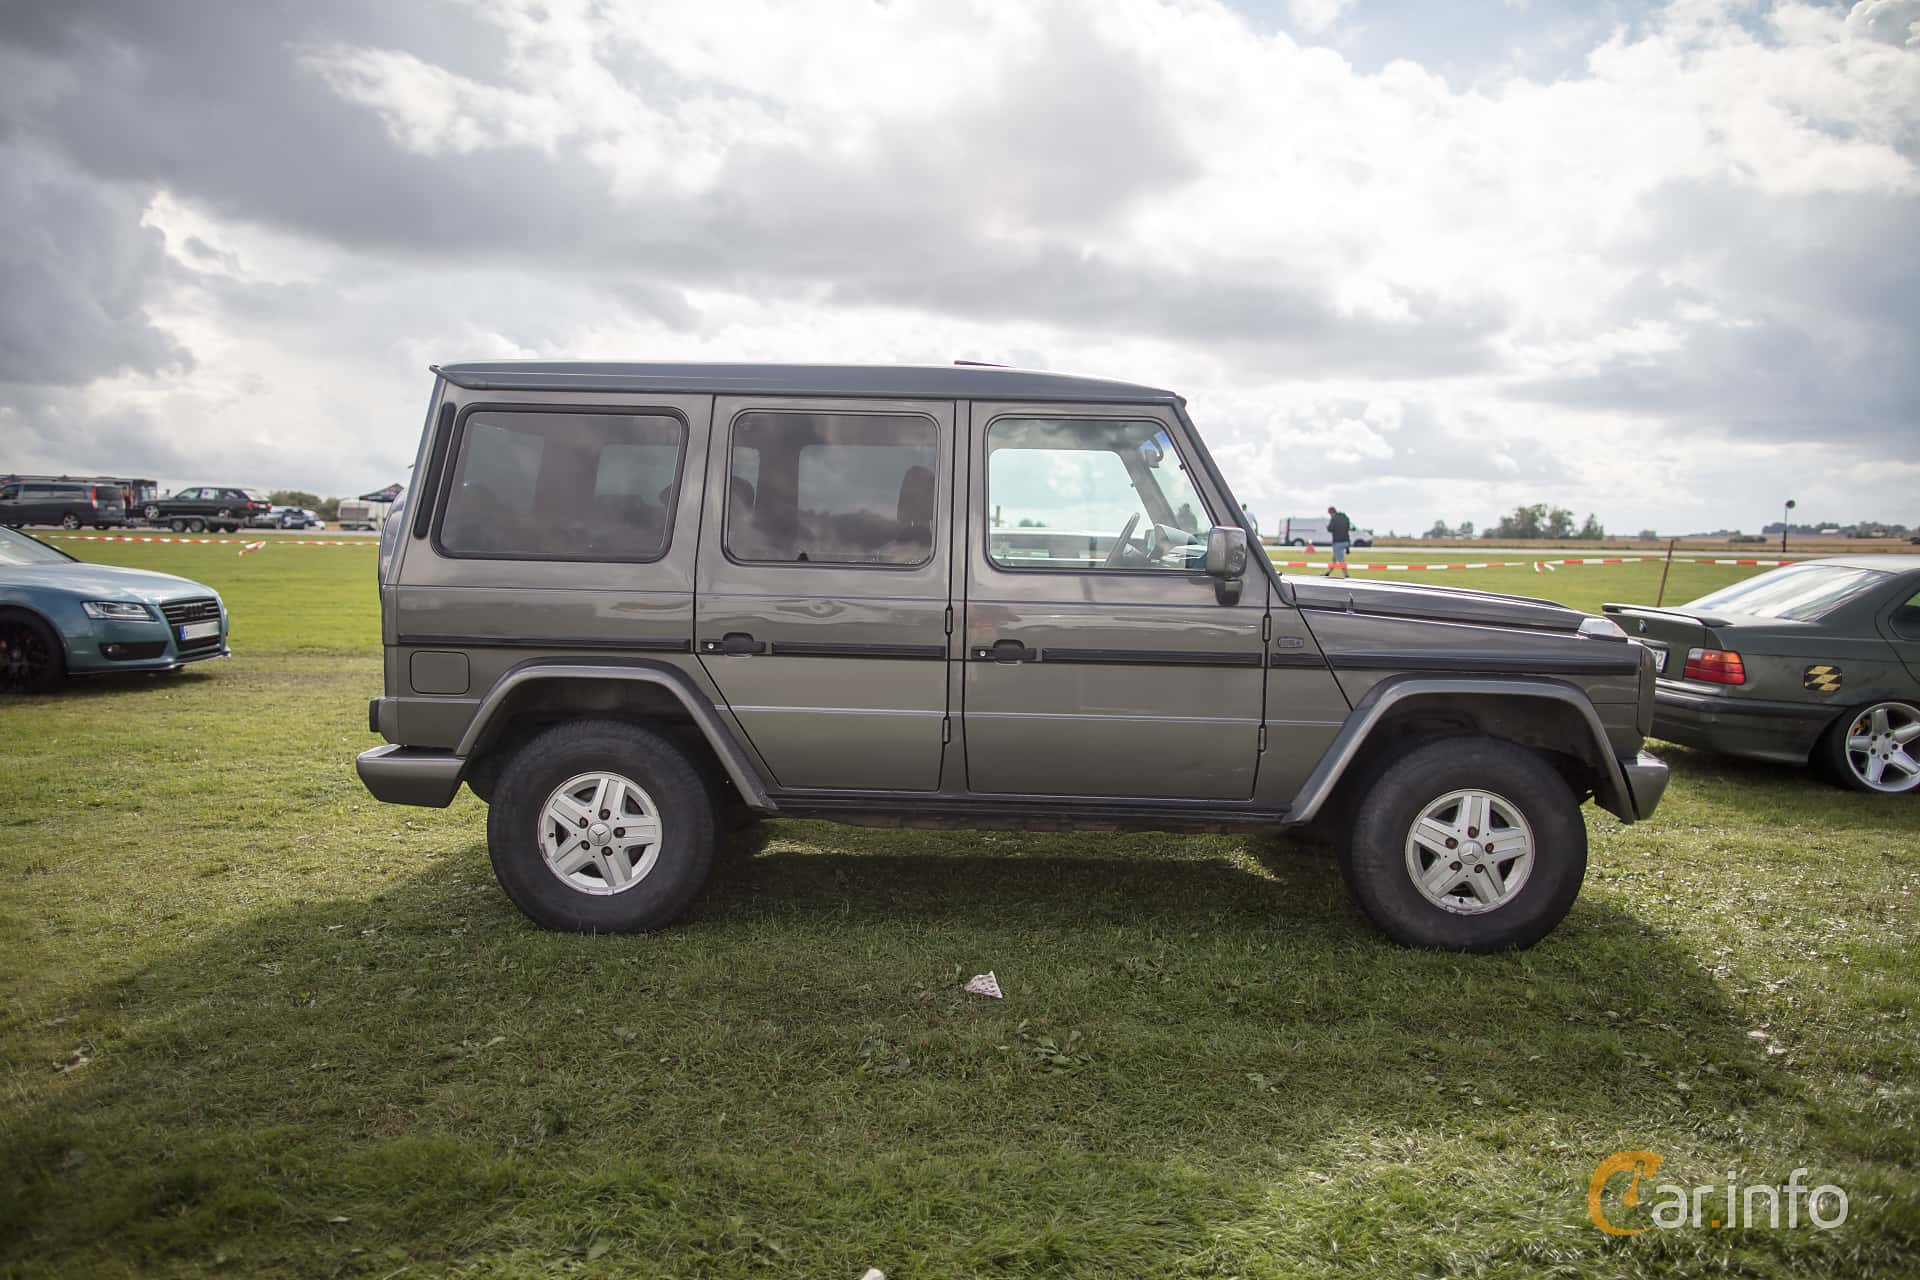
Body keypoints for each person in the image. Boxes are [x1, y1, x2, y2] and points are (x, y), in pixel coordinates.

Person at [1324, 504, 1352, 578]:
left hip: (1338, 542)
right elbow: (1348, 527)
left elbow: (1330, 529)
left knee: (1341, 560)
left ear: (1331, 512)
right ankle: (1328, 573)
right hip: (1346, 541)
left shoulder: (1334, 518)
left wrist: (1327, 527)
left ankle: (1346, 575)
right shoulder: (1344, 517)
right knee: (1334, 558)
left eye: (1330, 513)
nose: (1330, 515)